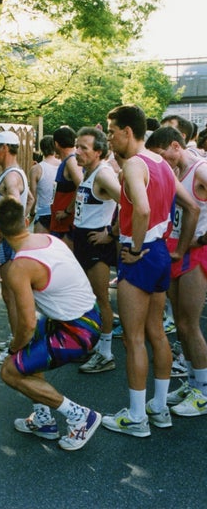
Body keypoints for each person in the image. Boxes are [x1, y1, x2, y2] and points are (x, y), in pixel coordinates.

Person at [102, 105, 199, 438]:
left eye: (111, 130)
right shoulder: (163, 163)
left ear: (128, 132)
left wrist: (133, 248)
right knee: (157, 332)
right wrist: (180, 249)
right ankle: (158, 408)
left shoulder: (134, 165)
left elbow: (141, 209)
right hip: (160, 252)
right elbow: (193, 207)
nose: (108, 137)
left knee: (134, 339)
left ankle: (136, 417)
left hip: (141, 253)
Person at [0, 195, 102, 451]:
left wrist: (13, 348)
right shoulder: (49, 239)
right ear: (26, 220)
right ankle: (43, 421)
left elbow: (28, 322)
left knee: (10, 370)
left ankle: (80, 415)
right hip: (88, 317)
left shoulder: (19, 266)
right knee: (28, 348)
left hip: (78, 331)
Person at [145, 126, 207, 416]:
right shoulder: (176, 172)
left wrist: (201, 240)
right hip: (177, 250)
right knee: (180, 324)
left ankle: (204, 392)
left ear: (174, 145)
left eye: (162, 155)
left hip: (196, 253)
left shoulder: (200, 168)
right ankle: (194, 382)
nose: (161, 162)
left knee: (190, 324)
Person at [73, 127, 121, 374]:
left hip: (96, 242)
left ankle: (106, 353)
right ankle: (93, 343)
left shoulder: (103, 174)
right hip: (82, 239)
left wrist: (110, 233)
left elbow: (129, 201)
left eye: (84, 148)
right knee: (87, 297)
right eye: (76, 146)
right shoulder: (88, 171)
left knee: (101, 298)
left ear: (98, 152)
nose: (77, 152)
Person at [0, 130, 31, 364]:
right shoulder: (16, 172)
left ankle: (17, 346)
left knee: (10, 294)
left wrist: (8, 230)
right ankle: (17, 338)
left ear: (4, 148)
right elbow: (30, 199)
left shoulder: (11, 178)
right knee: (12, 294)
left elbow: (14, 202)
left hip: (8, 242)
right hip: (14, 239)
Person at [50, 126, 83, 250]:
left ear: (56, 144)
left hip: (66, 226)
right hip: (59, 223)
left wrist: (67, 211)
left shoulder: (71, 161)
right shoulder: (70, 160)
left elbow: (81, 185)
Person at [28, 135, 59, 234]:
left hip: (42, 213)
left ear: (41, 149)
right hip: (59, 213)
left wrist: (32, 213)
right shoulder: (63, 166)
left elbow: (33, 195)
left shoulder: (36, 169)